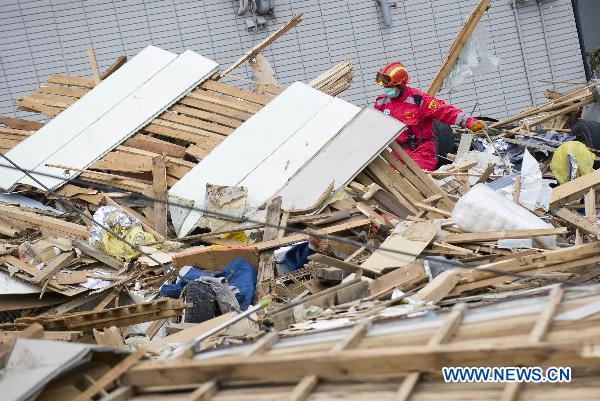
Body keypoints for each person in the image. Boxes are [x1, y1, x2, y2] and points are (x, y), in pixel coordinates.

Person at [374, 61, 485, 171]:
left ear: (401, 85)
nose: (387, 90)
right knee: (392, 178)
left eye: (391, 87)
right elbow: (374, 125)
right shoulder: (381, 103)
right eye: (385, 87)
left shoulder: (419, 100)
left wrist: (470, 122)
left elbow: (445, 111)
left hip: (422, 150)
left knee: (416, 177)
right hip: (398, 150)